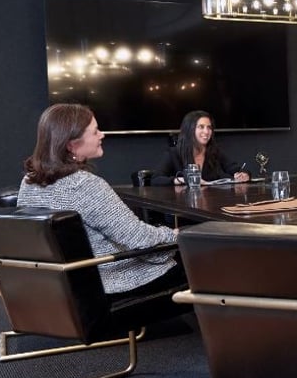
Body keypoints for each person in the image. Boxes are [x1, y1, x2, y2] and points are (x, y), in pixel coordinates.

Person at [16, 103, 185, 297]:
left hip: (60, 285)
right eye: (95, 131)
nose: (102, 135)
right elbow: (138, 238)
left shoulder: (28, 181)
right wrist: (175, 235)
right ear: (72, 144)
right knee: (191, 259)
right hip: (110, 282)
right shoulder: (85, 185)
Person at [153, 110, 250, 185]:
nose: (206, 132)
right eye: (201, 127)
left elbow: (236, 168)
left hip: (213, 202)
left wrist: (244, 174)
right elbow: (156, 180)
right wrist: (182, 180)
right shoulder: (174, 153)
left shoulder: (215, 152)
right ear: (189, 129)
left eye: (209, 127)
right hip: (184, 205)